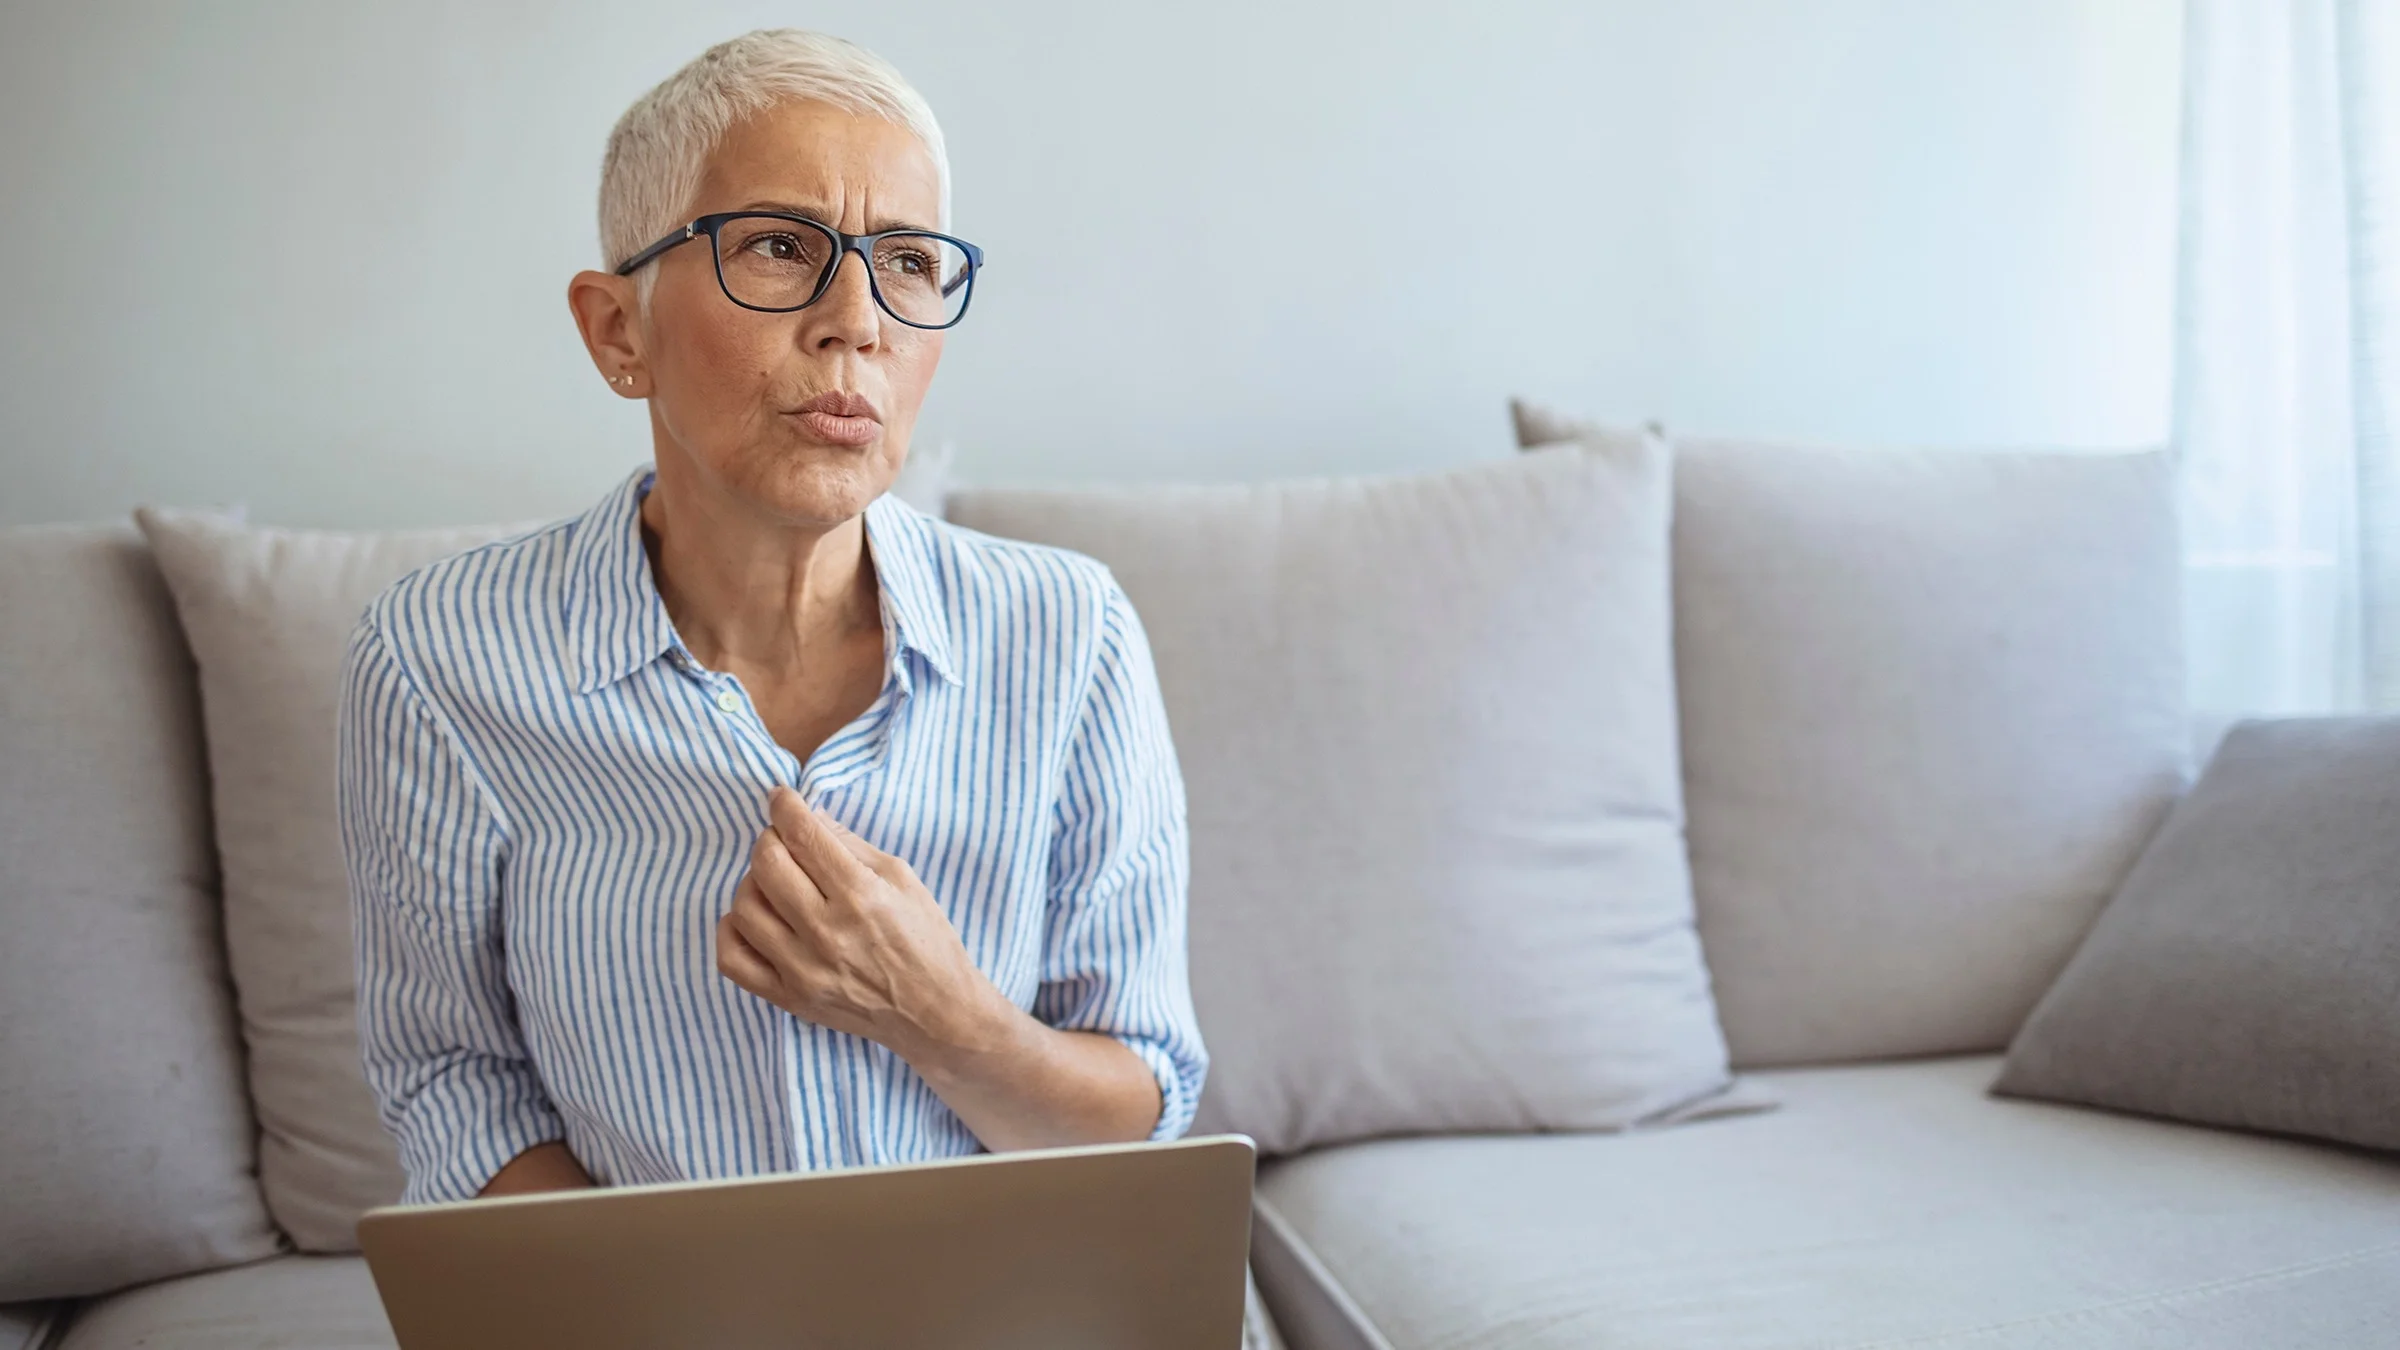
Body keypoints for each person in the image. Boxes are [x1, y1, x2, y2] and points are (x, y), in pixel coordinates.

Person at [336, 28, 1270, 1341]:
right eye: (779, 245)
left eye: (908, 262)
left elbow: (1148, 1095)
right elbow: (453, 1086)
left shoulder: (1074, 635)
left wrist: (944, 1019)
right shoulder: (437, 662)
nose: (858, 323)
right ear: (620, 331)